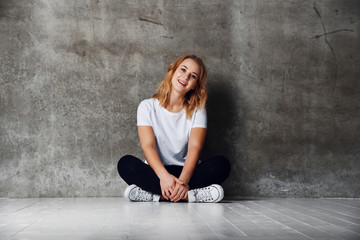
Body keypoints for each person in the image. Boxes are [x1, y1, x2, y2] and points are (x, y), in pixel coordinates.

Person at [117, 54, 231, 203]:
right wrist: (164, 178)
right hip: (157, 172)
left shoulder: (198, 110)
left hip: (187, 172)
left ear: (195, 85)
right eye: (183, 70)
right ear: (173, 71)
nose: (185, 77)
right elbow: (148, 146)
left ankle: (156, 195)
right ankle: (190, 195)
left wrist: (183, 181)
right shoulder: (147, 106)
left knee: (222, 165)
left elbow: (195, 148)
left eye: (193, 76)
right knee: (126, 164)